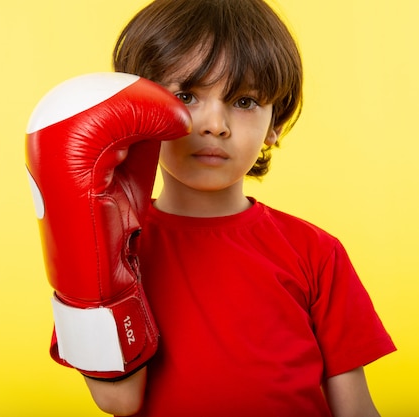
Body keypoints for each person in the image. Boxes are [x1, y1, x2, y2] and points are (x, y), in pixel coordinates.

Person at [79, 0, 397, 416]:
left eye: (245, 101)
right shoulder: (113, 244)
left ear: (275, 123)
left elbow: (355, 409)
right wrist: (90, 249)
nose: (215, 124)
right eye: (187, 95)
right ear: (140, 110)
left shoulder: (316, 252)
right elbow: (118, 399)